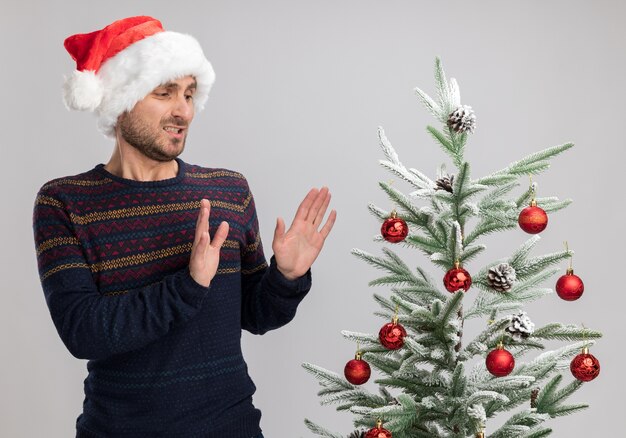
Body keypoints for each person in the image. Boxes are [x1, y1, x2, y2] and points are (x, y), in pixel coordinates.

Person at [33, 16, 336, 438]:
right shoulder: (66, 201)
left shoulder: (229, 191)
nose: (184, 111)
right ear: (122, 100)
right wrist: (187, 286)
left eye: (190, 94)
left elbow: (255, 313)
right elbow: (83, 332)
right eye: (165, 93)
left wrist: (286, 277)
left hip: (233, 428)